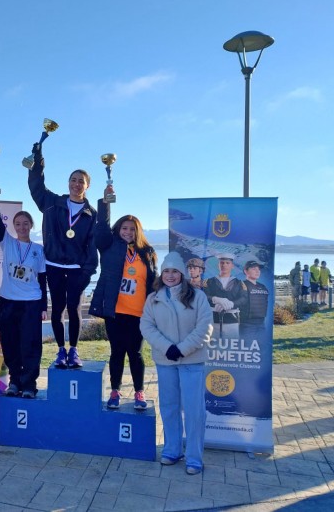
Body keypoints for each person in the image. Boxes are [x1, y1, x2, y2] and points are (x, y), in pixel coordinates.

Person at [140, 252, 213, 475]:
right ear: (161, 274)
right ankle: (172, 449)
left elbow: (204, 327)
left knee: (193, 410)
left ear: (182, 273)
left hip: (192, 361)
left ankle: (194, 457)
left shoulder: (198, 297)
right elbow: (146, 327)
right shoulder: (153, 299)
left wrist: (181, 349)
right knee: (169, 407)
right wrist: (167, 348)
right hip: (166, 361)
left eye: (174, 271)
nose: (170, 275)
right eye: (166, 271)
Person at [28, 141, 98, 369]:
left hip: (77, 268)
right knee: (57, 308)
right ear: (68, 183)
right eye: (73, 180)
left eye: (81, 181)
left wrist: (88, 272)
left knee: (75, 309)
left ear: (87, 186)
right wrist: (38, 161)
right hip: (53, 264)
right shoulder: (52, 202)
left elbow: (93, 244)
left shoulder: (91, 213)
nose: (77, 184)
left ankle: (74, 351)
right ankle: (60, 350)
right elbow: (37, 186)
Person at [88, 184, 157, 410]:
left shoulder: (147, 253)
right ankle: (115, 392)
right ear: (118, 229)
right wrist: (105, 202)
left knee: (135, 353)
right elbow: (100, 228)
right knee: (117, 352)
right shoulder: (109, 246)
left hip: (139, 312)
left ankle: (139, 392)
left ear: (138, 231)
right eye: (124, 228)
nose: (128, 232)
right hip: (115, 311)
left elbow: (153, 281)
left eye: (132, 229)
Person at [0, 181, 47, 399]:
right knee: (10, 343)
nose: (22, 227)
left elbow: (42, 280)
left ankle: (30, 384)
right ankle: (14, 382)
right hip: (7, 302)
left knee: (30, 345)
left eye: (25, 223)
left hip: (31, 302)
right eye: (18, 224)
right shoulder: (7, 243)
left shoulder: (39, 250)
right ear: (13, 226)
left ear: (31, 226)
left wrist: (43, 307)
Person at [203, 253, 246, 339]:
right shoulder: (208, 282)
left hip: (232, 321)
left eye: (227, 263)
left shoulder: (239, 283)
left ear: (232, 266)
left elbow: (244, 299)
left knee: (231, 347)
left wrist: (232, 304)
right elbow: (204, 296)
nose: (224, 265)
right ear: (218, 265)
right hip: (213, 321)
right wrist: (215, 299)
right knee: (212, 347)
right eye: (222, 263)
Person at [239, 260, 270, 335]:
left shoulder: (263, 287)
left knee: (261, 345)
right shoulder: (240, 285)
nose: (257, 271)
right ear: (246, 271)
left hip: (261, 324)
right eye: (254, 269)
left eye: (258, 269)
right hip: (246, 325)